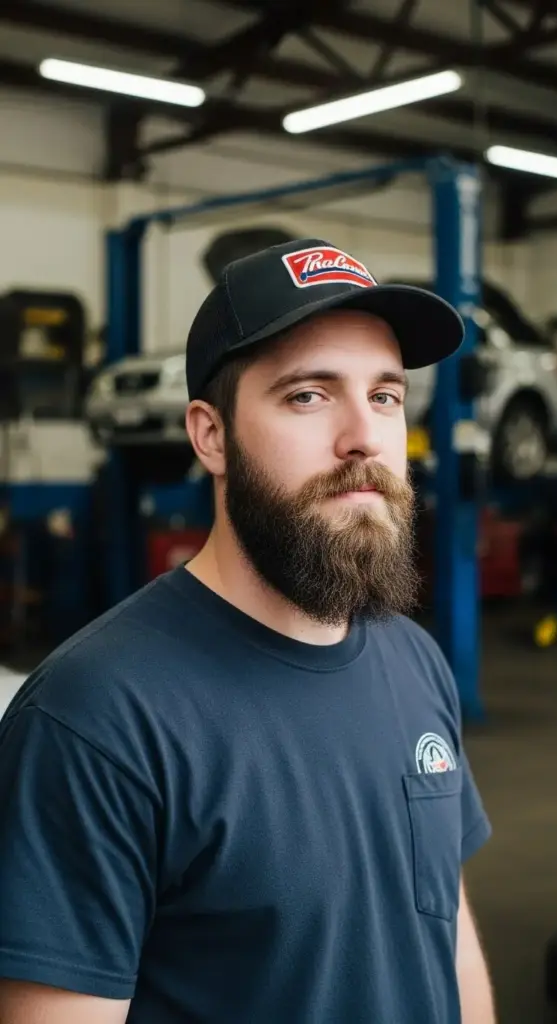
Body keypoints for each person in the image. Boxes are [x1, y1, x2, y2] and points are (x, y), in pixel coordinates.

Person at [0, 238, 495, 1024]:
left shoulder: (414, 660)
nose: (363, 436)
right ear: (211, 436)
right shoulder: (95, 718)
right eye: (308, 395)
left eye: (386, 396)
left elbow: (449, 943)